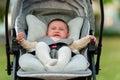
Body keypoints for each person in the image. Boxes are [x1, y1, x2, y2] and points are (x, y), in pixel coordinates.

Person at [17, 19, 97, 72]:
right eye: (53, 28)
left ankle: (59, 66)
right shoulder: (41, 41)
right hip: (42, 61)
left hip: (64, 62)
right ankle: (48, 63)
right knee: (39, 47)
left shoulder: (70, 42)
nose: (57, 30)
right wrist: (22, 41)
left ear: (67, 35)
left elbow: (80, 43)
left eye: (61, 29)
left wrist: (88, 38)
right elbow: (29, 46)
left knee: (67, 50)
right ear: (47, 33)